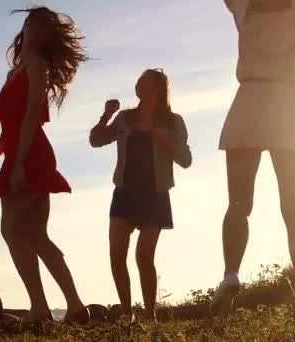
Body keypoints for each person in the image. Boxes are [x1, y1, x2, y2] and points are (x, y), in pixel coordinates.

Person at [210, 0, 295, 314]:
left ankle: (231, 274)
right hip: (287, 103)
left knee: (239, 203)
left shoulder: (243, 4)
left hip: (250, 100)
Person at [0, 6, 89, 324]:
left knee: (11, 230)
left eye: (44, 27)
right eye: (32, 23)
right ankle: (75, 307)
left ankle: (41, 307)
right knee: (36, 235)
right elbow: (8, 126)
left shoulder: (37, 66)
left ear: (48, 36)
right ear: (24, 28)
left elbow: (29, 117)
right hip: (20, 152)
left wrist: (20, 164)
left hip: (31, 153)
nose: (36, 30)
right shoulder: (16, 72)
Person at [90, 69, 192, 322]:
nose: (137, 86)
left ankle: (149, 315)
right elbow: (96, 140)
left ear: (158, 89)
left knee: (144, 256)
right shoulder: (125, 118)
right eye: (137, 82)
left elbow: (186, 160)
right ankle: (127, 313)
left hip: (155, 195)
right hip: (124, 193)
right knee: (116, 254)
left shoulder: (174, 121)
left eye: (143, 82)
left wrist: (165, 140)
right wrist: (106, 116)